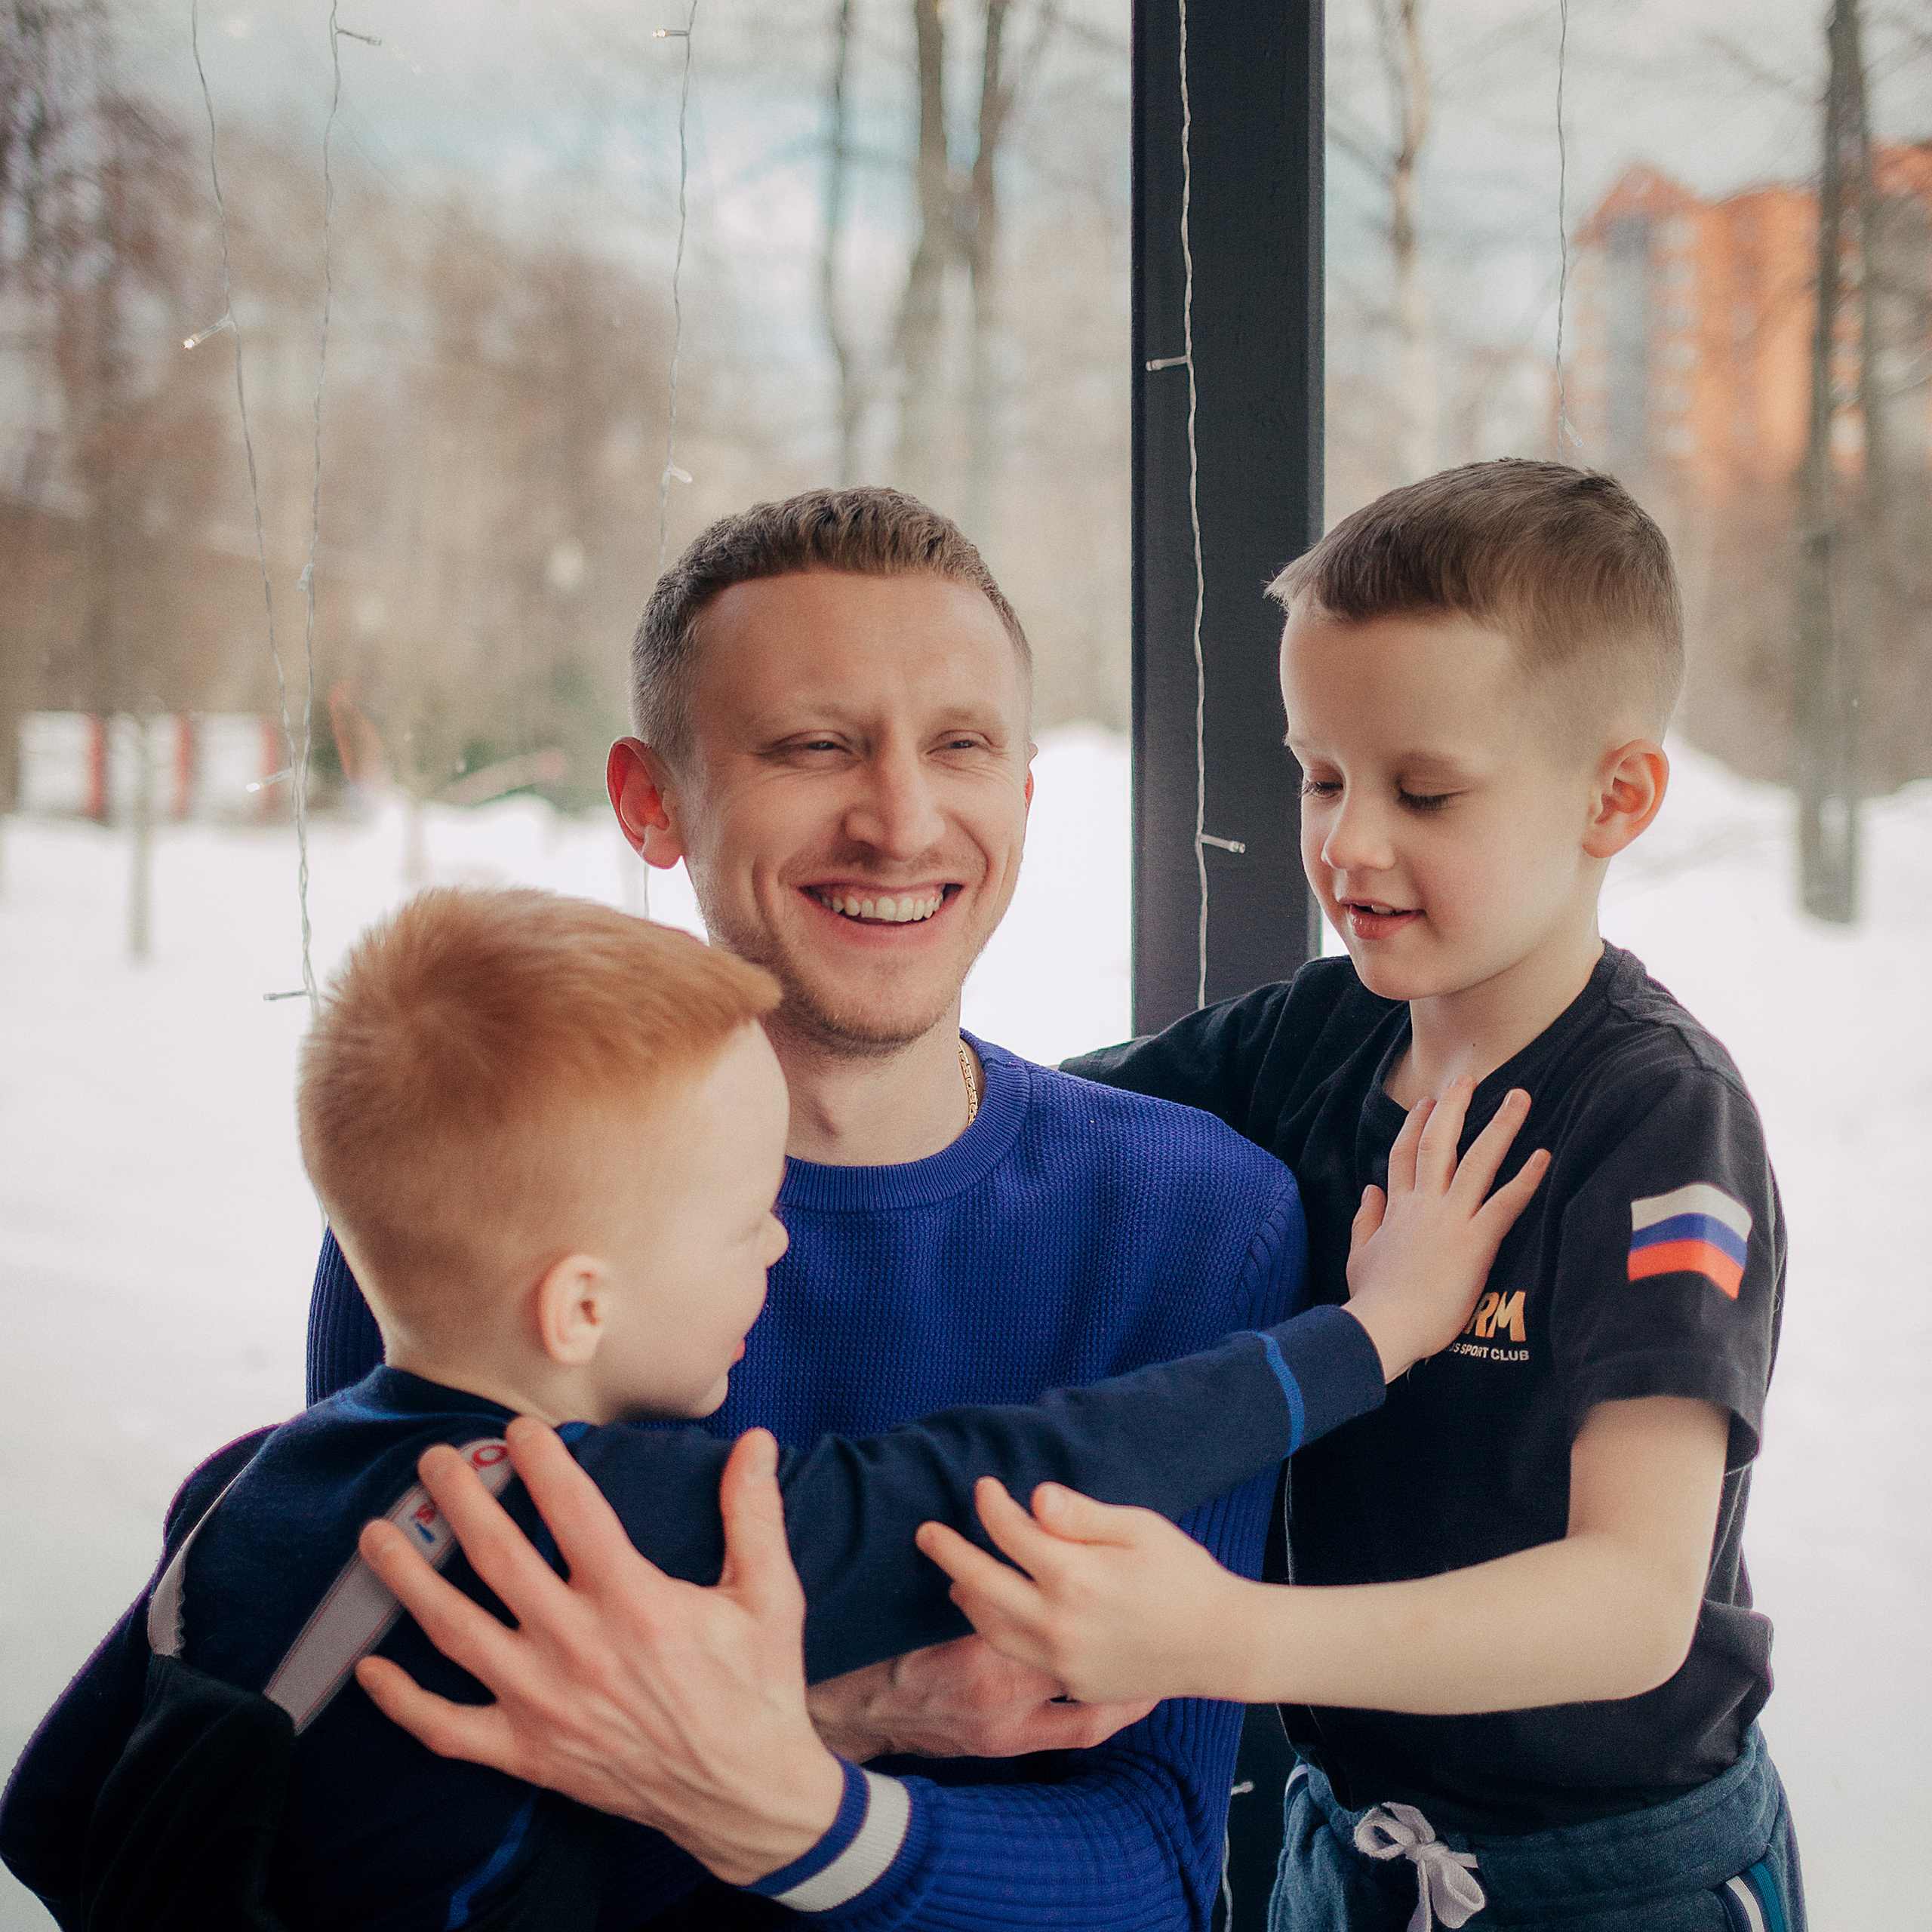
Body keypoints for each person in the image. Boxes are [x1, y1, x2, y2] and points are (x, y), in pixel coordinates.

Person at [0, 885, 1540, 1932]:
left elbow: (53, 1813)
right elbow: (1019, 1469)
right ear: (580, 1306)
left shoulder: (238, 1487)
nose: (780, 1246)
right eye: (746, 1220)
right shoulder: (620, 1513)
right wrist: (1369, 1334)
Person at [297, 486, 1371, 1929]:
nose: (902, 822)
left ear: (1025, 791)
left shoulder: (1195, 1220)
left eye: (961, 747)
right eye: (815, 746)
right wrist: (851, 1722)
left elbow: (1150, 1867)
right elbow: (391, 1812)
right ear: (652, 801)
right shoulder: (485, 1209)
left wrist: (783, 1797)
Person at [916, 460, 1806, 1932]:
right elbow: (1022, 1122)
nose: (1347, 843)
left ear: (1616, 796)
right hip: (1353, 1849)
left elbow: (1630, 1606)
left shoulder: (1657, 1119)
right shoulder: (1309, 1038)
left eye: (1423, 791)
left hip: (1616, 1876)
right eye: (1321, 776)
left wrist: (1217, 1634)